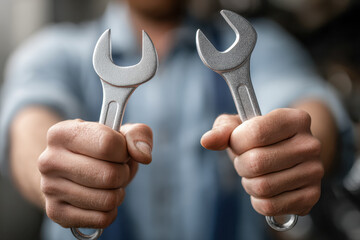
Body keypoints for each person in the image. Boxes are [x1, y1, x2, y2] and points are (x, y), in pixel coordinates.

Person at [0, 0, 354, 239]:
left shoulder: (262, 44)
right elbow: (29, 123)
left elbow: (307, 106)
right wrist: (51, 164)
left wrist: (294, 151)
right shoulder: (56, 52)